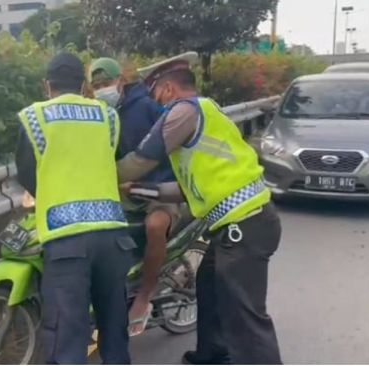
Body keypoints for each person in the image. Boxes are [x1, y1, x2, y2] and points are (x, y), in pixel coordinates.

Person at [117, 52, 283, 365]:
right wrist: (139, 190)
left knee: (244, 313)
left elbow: (139, 161)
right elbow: (185, 190)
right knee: (208, 284)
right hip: (237, 224)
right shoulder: (204, 113)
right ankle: (212, 353)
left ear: (167, 89)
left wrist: (99, 176)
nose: (154, 102)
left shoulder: (183, 111)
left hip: (245, 224)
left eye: (154, 92)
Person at [15, 52, 134, 364]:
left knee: (67, 334)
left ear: (47, 85)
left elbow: (27, 174)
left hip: (66, 239)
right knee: (113, 328)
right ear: (83, 85)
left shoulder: (35, 117)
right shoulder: (107, 116)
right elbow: (115, 159)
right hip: (112, 237)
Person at [89, 57, 179, 336]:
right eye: (97, 85)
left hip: (160, 190)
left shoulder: (148, 107)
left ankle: (144, 297)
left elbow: (170, 147)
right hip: (121, 192)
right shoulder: (96, 114)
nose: (103, 89)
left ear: (121, 81)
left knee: (154, 227)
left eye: (107, 83)